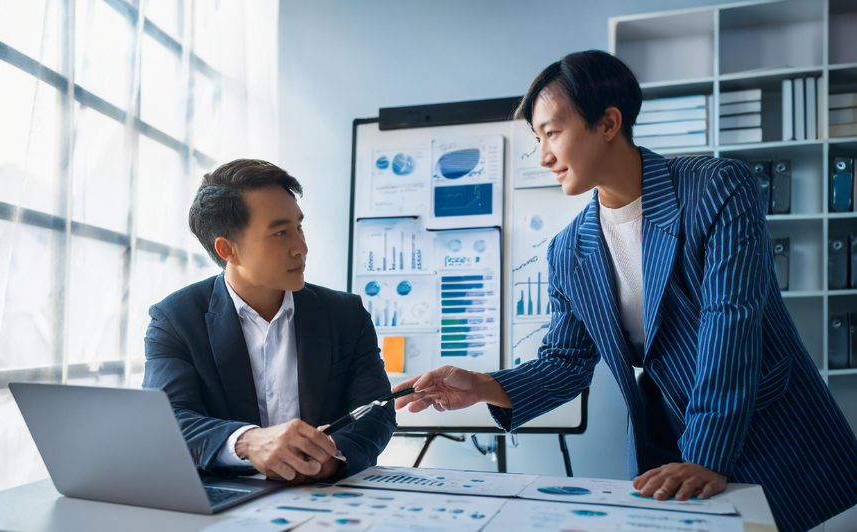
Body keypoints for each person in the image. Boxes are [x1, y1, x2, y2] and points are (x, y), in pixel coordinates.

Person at [393, 50, 857, 532]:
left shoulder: (717, 188)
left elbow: (730, 327)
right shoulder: (569, 250)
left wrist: (706, 456)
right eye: (537, 139)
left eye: (552, 133)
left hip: (775, 438)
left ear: (608, 123)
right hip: (668, 448)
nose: (544, 156)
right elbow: (566, 363)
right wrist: (485, 385)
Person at [143, 159, 396, 483]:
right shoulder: (176, 318)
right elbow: (166, 420)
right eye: (280, 233)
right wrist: (247, 442)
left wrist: (332, 459)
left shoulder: (345, 313)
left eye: (299, 228)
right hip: (223, 502)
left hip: (325, 499)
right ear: (227, 249)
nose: (301, 247)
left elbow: (377, 410)